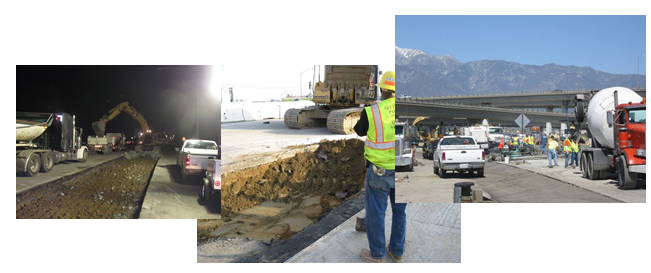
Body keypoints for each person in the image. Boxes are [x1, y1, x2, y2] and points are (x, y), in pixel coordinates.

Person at [353, 71, 405, 263]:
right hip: (403, 170)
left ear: (382, 89)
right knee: (400, 212)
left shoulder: (372, 111)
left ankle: (377, 254)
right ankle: (397, 251)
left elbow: (359, 131)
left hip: (379, 171)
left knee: (376, 213)